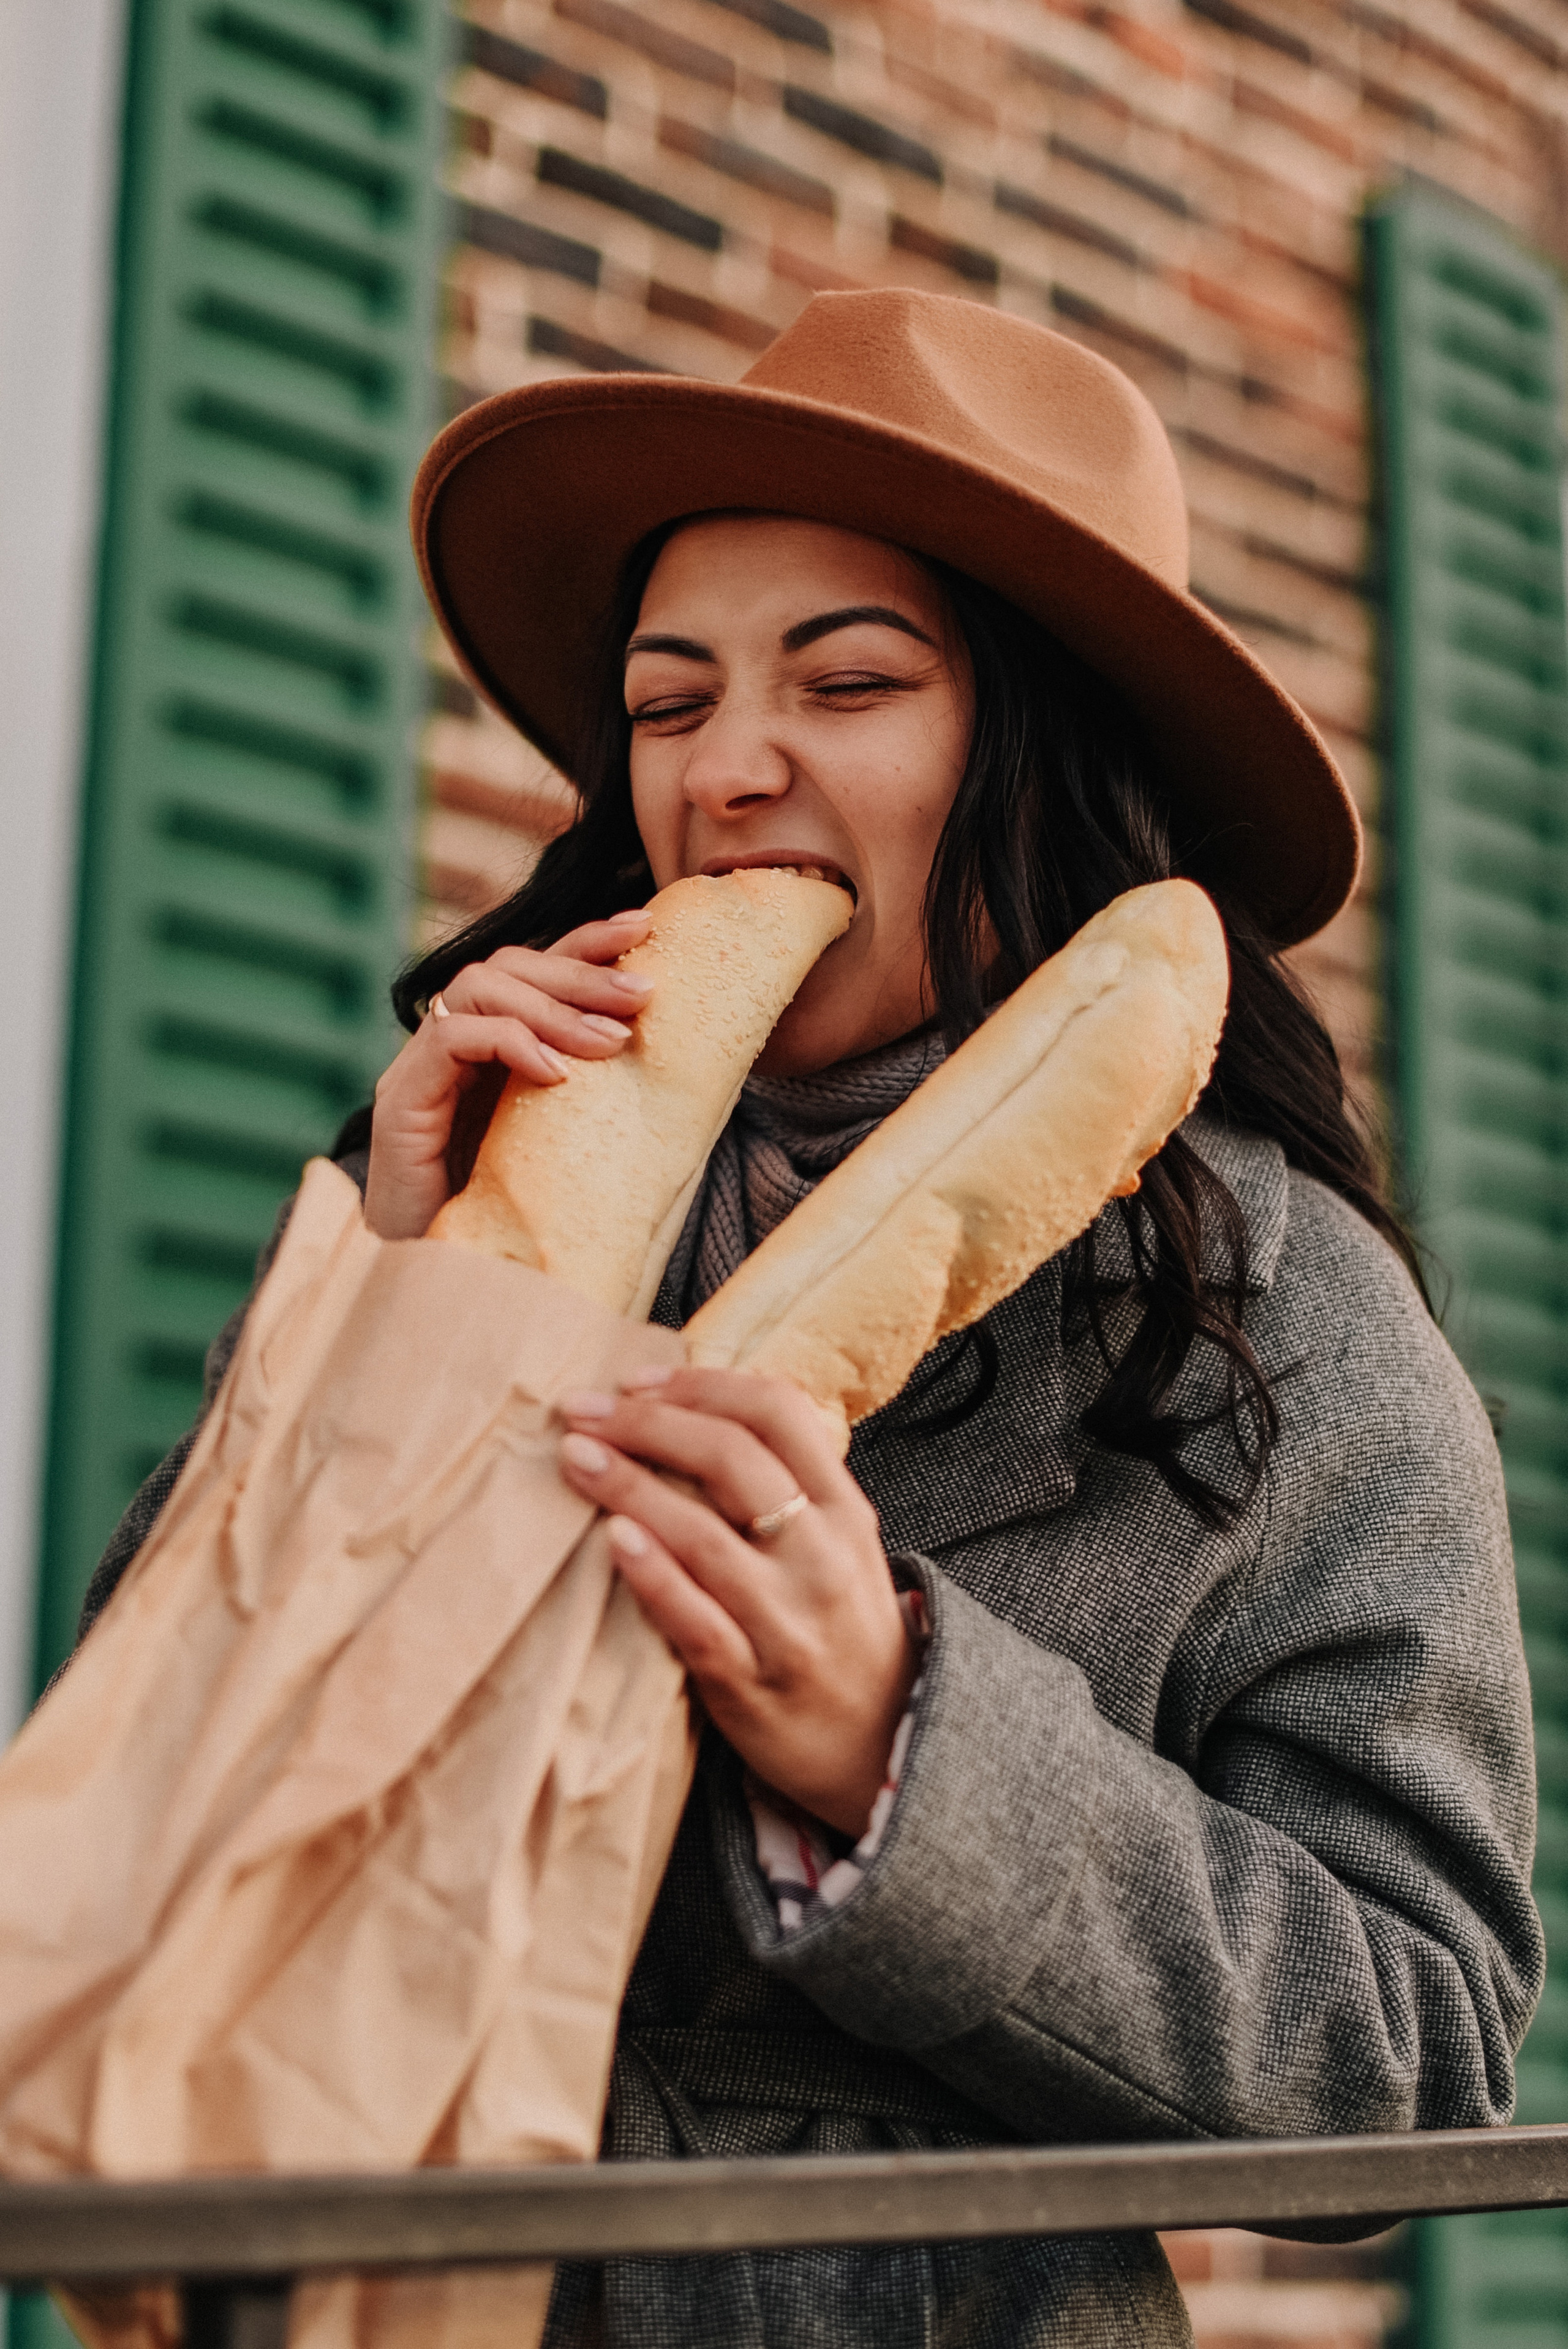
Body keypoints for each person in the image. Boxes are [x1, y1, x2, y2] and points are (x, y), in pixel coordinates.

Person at [81, 290, 1543, 2347]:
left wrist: (901, 1743)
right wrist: (377, 1323)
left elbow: (1422, 2033)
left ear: (1042, 750)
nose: (731, 767)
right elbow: (137, 1764)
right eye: (669, 706)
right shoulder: (478, 1166)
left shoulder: (1287, 1315)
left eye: (844, 680)